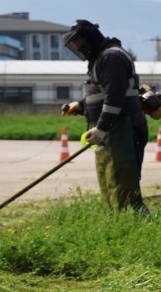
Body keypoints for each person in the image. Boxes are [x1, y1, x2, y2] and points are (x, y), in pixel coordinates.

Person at [60, 19, 149, 213]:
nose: (77, 48)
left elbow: (115, 97)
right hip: (112, 129)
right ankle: (116, 221)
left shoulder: (111, 58)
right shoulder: (101, 58)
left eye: (78, 43)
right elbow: (101, 93)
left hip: (122, 128)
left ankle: (133, 224)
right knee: (110, 180)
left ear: (89, 38)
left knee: (123, 184)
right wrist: (81, 105)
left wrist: (101, 128)